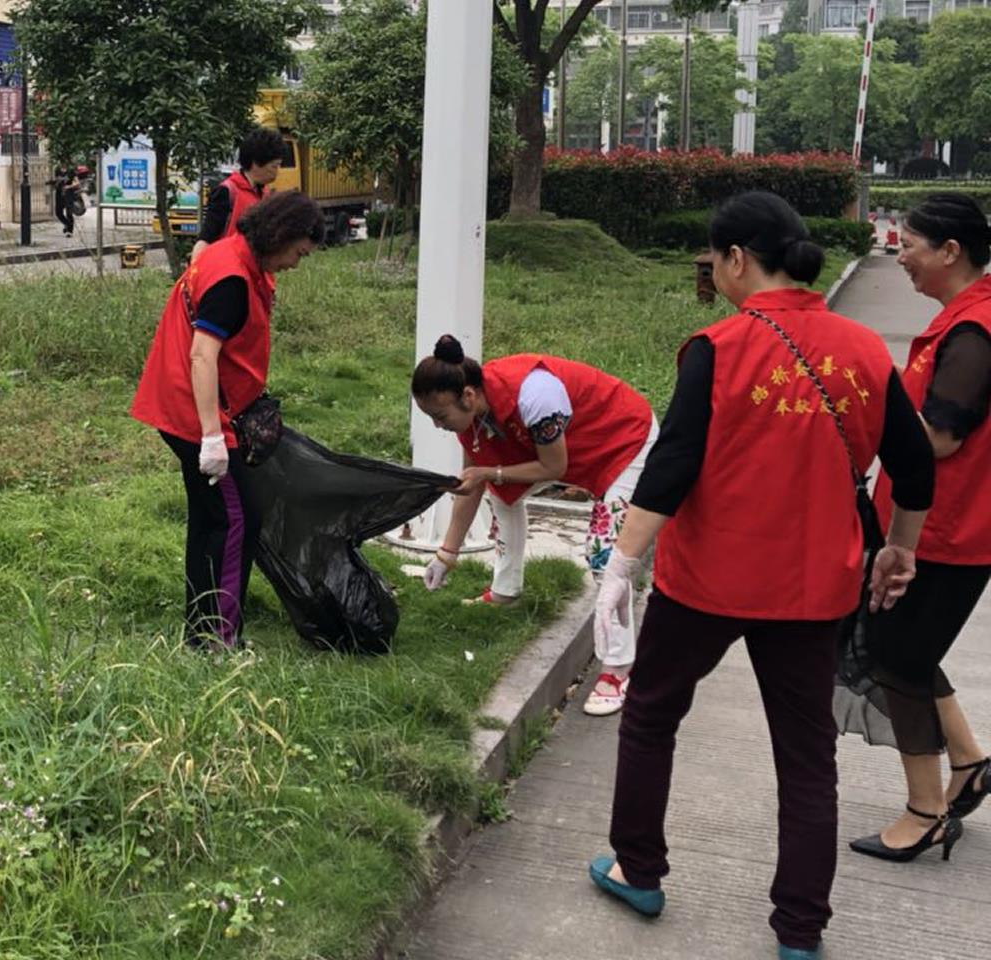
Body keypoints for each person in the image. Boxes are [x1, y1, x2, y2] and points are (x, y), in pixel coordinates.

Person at [585, 192, 935, 960]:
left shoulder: (717, 348)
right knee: (806, 759)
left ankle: (638, 869)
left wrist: (621, 567)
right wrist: (897, 550)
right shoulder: (865, 349)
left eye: (716, 263)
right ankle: (799, 934)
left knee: (650, 716)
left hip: (705, 582)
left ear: (738, 258)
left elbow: (671, 468)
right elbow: (914, 468)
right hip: (813, 590)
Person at [848, 193, 991, 860]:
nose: (899, 256)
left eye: (908, 244)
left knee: (897, 660)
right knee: (904, 648)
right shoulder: (962, 321)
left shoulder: (974, 332)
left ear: (950, 252)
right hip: (934, 525)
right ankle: (966, 762)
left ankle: (926, 810)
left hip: (946, 534)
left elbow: (938, 436)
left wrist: (859, 417)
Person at [412, 339, 657, 716]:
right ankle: (505, 591)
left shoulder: (535, 396)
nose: (437, 426)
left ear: (468, 395)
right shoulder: (471, 414)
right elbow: (471, 485)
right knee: (499, 491)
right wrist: (446, 555)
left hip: (623, 441)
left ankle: (618, 669)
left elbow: (553, 469)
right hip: (568, 450)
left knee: (606, 554)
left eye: (440, 417)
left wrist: (489, 472)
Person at [130, 191, 324, 648]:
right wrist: (213, 438)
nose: (297, 264)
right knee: (238, 521)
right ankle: (218, 639)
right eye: (299, 253)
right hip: (195, 412)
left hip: (183, 404)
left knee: (210, 520)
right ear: (281, 236)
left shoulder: (231, 255)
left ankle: (200, 632)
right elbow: (203, 354)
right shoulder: (232, 279)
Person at [190, 127, 287, 263]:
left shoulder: (265, 194)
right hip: (226, 270)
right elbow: (206, 238)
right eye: (274, 166)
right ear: (255, 164)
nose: (277, 172)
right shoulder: (227, 192)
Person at [51, 167, 82, 237]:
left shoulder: (71, 171)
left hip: (68, 194)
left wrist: (69, 186)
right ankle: (66, 224)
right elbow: (56, 182)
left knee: (69, 213)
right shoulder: (57, 170)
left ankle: (69, 231)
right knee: (58, 212)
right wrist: (55, 183)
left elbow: (77, 183)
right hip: (59, 194)